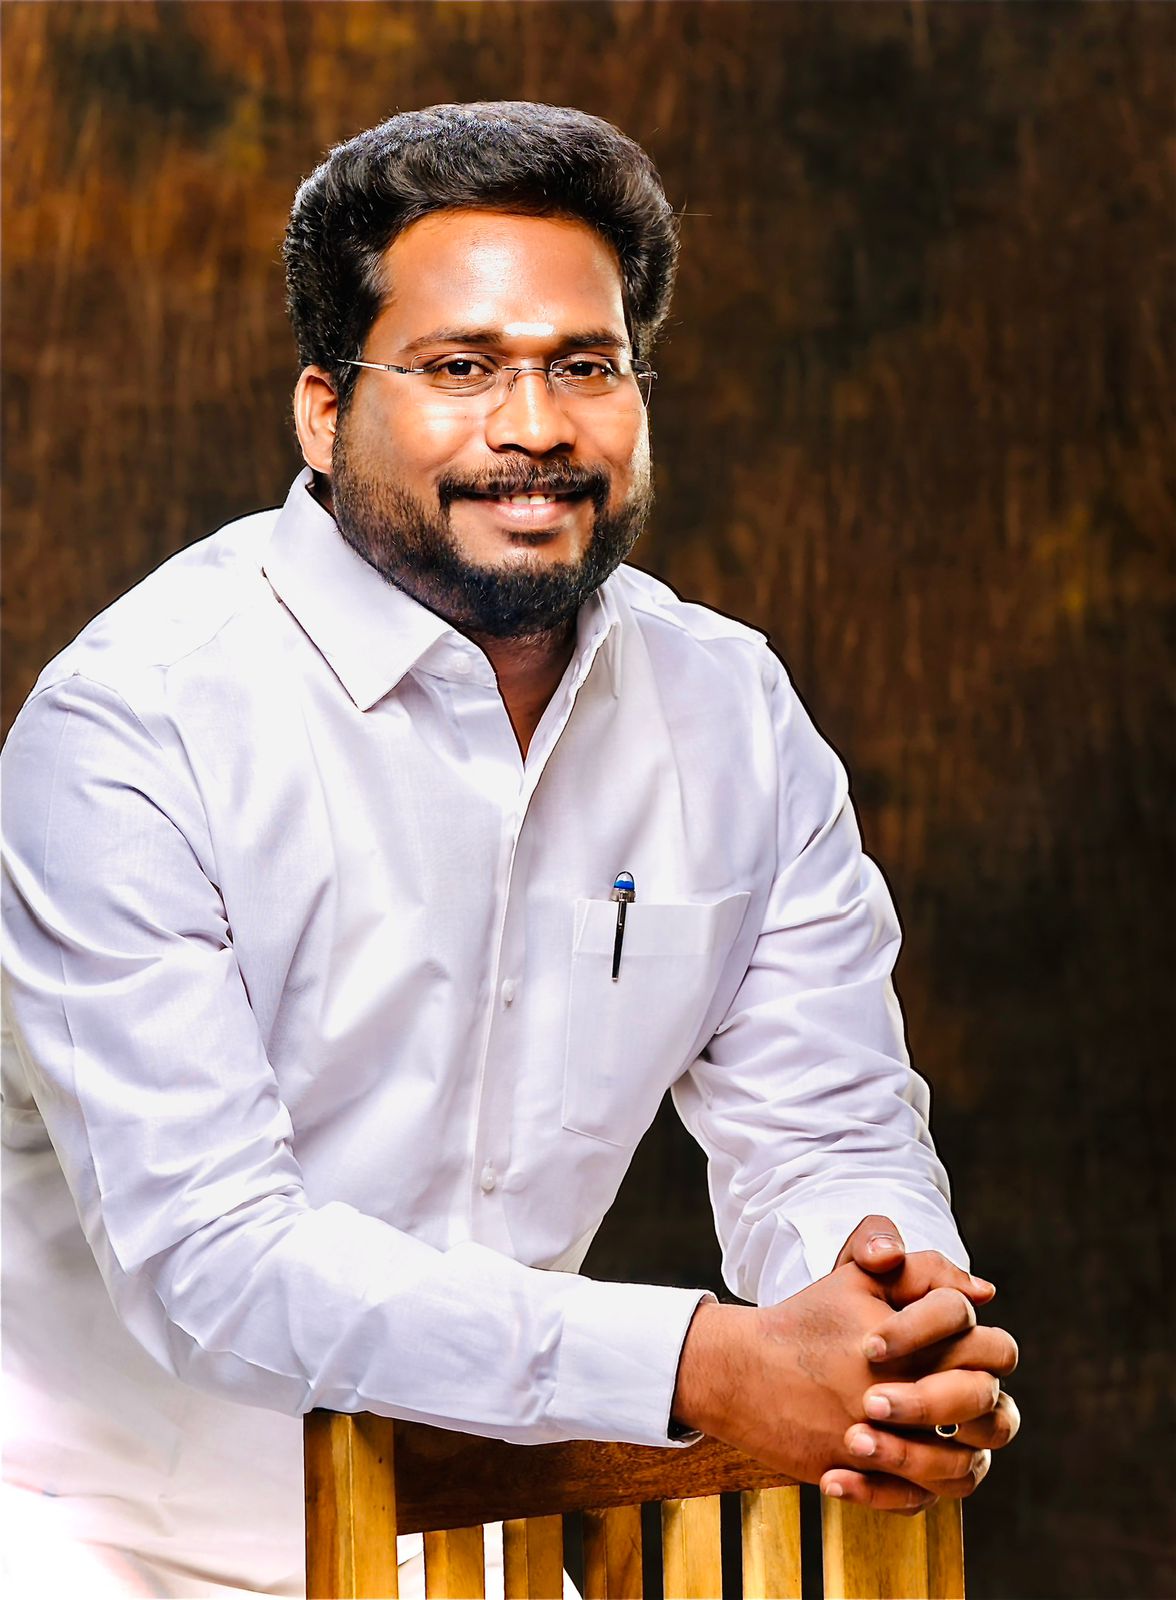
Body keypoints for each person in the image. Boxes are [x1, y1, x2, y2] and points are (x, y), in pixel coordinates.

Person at [1, 102, 1018, 1599]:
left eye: (586, 366)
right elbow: (211, 1260)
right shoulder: (133, 725)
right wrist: (697, 1362)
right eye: (460, 366)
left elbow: (826, 1125)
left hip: (466, 1539)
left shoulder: (729, 709)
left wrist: (891, 1322)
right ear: (322, 410)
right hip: (82, 1538)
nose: (534, 425)